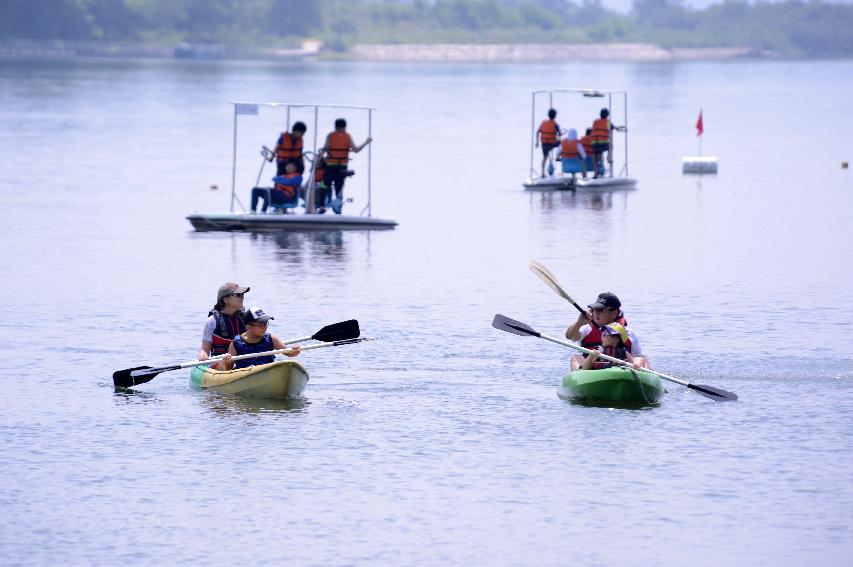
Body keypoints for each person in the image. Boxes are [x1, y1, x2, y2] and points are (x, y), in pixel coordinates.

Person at [566, 292, 650, 371]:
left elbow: (640, 357)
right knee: (575, 357)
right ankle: (578, 378)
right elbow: (570, 336)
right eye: (595, 309)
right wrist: (579, 323)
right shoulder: (587, 328)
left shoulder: (627, 333)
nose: (596, 313)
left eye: (601, 309)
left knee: (641, 359)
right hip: (591, 370)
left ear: (614, 312)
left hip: (623, 370)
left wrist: (640, 367)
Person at [318, 118, 372, 214]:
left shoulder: (332, 136)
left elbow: (324, 150)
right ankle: (325, 206)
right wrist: (366, 142)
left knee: (333, 186)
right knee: (330, 185)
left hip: (336, 167)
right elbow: (356, 150)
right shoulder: (341, 136)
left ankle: (333, 208)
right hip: (336, 166)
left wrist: (366, 142)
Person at [222, 307, 300, 370]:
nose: (265, 327)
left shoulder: (272, 339)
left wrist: (295, 350)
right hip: (245, 375)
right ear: (248, 326)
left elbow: (288, 352)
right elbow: (229, 369)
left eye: (266, 323)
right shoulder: (236, 343)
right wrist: (226, 362)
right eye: (261, 325)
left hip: (267, 372)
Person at [198, 282, 250, 367]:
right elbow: (204, 349)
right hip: (220, 365)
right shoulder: (212, 321)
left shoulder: (247, 318)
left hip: (243, 362)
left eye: (242, 295)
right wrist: (203, 356)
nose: (242, 298)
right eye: (238, 295)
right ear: (226, 300)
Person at [536, 108, 561, 177]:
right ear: (555, 116)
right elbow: (560, 133)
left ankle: (542, 173)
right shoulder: (555, 124)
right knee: (561, 143)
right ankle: (558, 156)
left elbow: (537, 132)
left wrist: (537, 142)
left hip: (544, 144)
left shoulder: (543, 123)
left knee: (544, 157)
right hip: (552, 143)